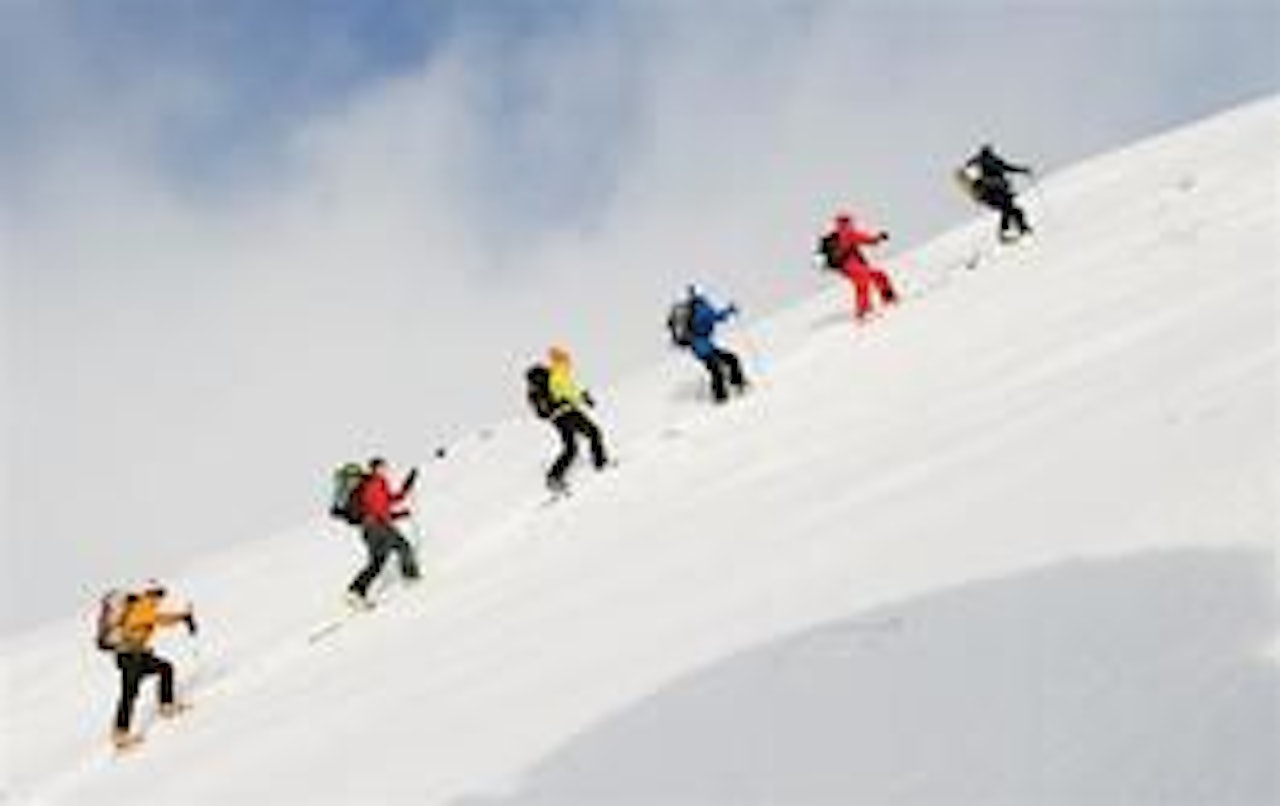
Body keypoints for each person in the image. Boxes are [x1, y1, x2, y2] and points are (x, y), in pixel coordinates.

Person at [110, 582, 195, 751]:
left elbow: (155, 620)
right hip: (130, 656)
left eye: (161, 594)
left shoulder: (143, 607)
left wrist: (182, 617)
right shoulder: (144, 606)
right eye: (159, 594)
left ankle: (166, 705)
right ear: (151, 593)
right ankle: (120, 734)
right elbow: (160, 619)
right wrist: (182, 617)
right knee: (129, 693)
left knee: (165, 668)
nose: (160, 598)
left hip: (137, 655)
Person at [526, 346, 610, 494]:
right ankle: (601, 464)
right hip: (568, 412)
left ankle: (554, 476)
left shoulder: (534, 390)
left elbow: (541, 412)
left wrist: (551, 412)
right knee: (594, 433)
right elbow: (568, 390)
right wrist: (584, 397)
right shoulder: (553, 376)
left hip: (557, 419)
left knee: (571, 448)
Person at [346, 457, 420, 609]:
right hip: (378, 526)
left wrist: (406, 487)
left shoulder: (376, 484)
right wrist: (394, 516)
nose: (385, 470)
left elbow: (390, 500)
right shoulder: (375, 483)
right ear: (374, 469)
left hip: (369, 528)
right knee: (403, 546)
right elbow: (379, 508)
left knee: (377, 562)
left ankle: (356, 590)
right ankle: (411, 578)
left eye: (385, 467)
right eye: (382, 467)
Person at [821, 212, 899, 322]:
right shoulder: (848, 233)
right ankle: (871, 306)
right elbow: (868, 240)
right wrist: (879, 237)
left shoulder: (837, 235)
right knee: (869, 279)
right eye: (848, 222)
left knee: (870, 278)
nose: (850, 224)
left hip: (846, 268)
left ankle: (869, 307)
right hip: (852, 265)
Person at [680, 286, 748, 403]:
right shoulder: (701, 309)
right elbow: (715, 316)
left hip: (703, 346)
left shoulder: (691, 310)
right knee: (723, 364)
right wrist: (730, 310)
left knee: (724, 363)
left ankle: (729, 389)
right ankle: (725, 393)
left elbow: (712, 317)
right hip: (703, 347)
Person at [962, 144, 1034, 242]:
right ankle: (1009, 230)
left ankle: (1021, 228)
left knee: (1014, 210)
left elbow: (1007, 167)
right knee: (1008, 208)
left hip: (996, 191)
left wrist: (1022, 170)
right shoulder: (986, 161)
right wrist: (1022, 171)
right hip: (991, 191)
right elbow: (1008, 168)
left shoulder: (991, 161)